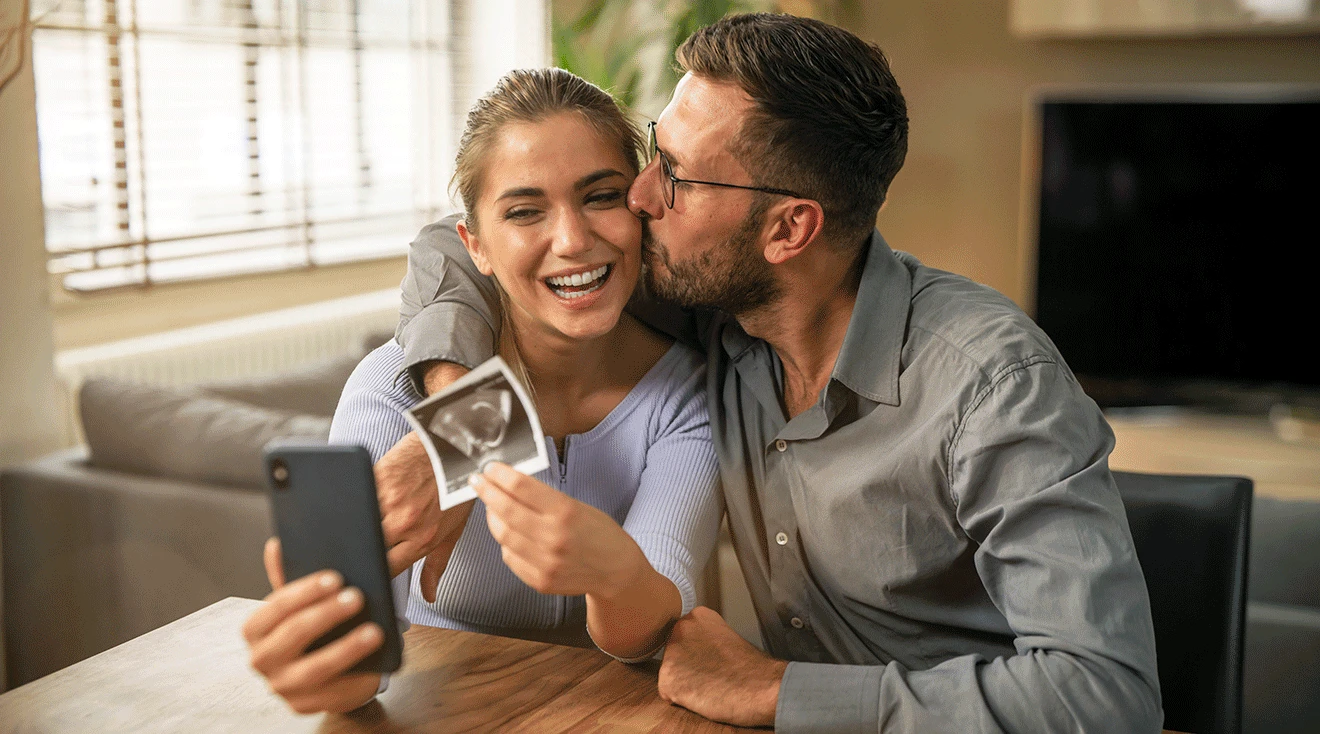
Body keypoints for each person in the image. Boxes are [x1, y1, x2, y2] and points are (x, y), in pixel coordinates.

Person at [389, 13, 1165, 734]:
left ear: (789, 228)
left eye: (680, 176)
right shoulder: (716, 302)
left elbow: (1106, 696)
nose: (640, 193)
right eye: (657, 146)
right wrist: (459, 424)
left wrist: (774, 689)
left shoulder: (996, 388)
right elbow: (458, 244)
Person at [240, 68, 722, 714]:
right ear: (475, 246)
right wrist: (329, 663)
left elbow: (653, 624)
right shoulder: (390, 389)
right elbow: (361, 668)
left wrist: (612, 573)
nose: (573, 241)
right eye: (525, 212)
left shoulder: (684, 391)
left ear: (638, 207)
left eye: (601, 197)